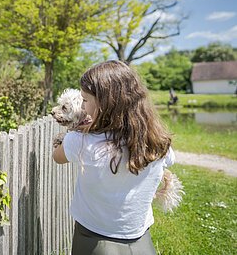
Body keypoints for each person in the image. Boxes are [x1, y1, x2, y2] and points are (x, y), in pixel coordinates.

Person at [53, 60, 175, 255]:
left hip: (92, 239)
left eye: (85, 100)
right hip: (140, 238)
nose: (83, 106)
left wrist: (77, 131)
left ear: (105, 103)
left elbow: (57, 157)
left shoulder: (80, 140)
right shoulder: (158, 143)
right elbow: (169, 162)